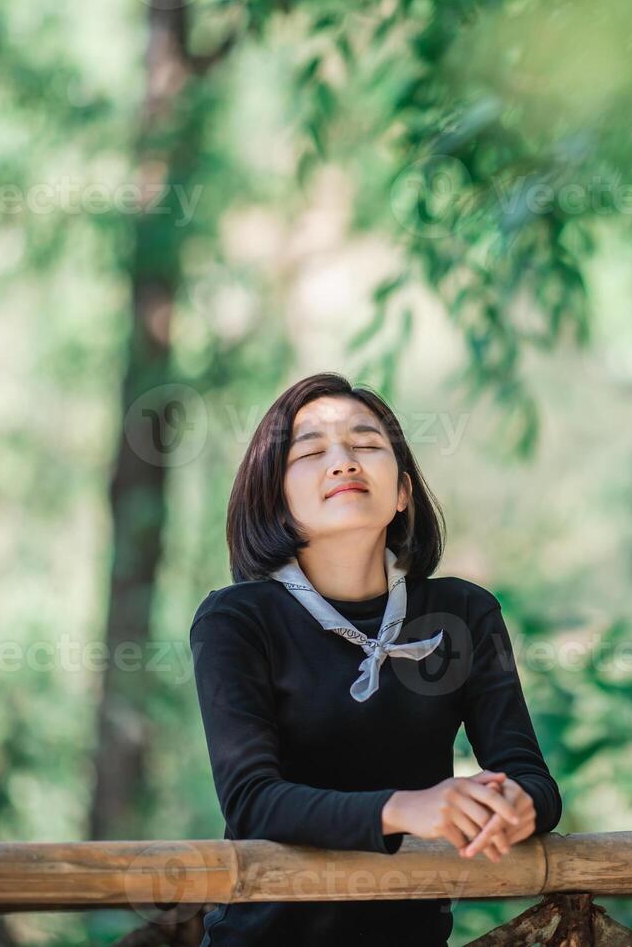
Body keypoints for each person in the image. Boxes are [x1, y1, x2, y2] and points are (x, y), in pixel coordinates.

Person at [190, 372, 564, 945]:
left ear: (403, 492)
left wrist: (519, 805)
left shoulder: (464, 613)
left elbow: (531, 777)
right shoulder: (237, 620)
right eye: (311, 451)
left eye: (366, 444)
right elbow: (252, 803)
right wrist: (406, 810)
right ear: (277, 499)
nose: (343, 462)